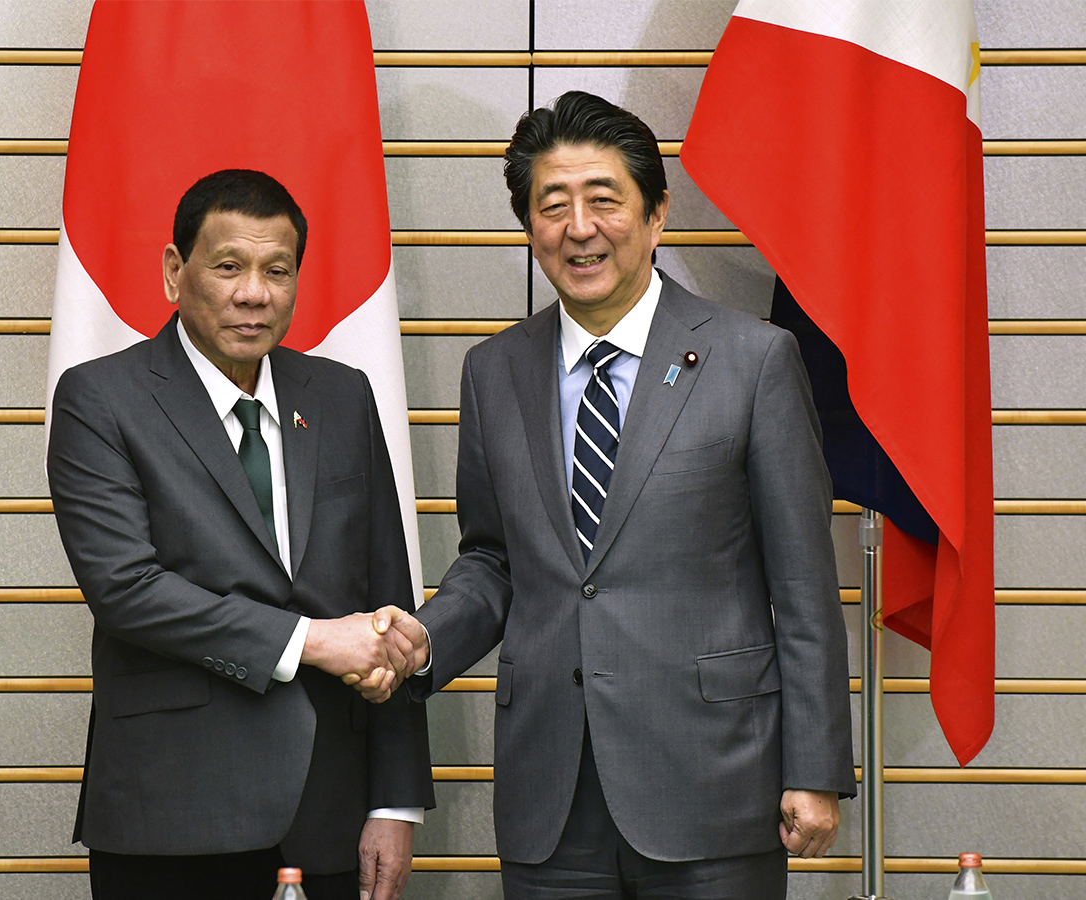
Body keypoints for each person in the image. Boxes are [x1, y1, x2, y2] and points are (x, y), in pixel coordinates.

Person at [360, 91, 857, 898]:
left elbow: (802, 587)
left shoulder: (753, 360)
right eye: (552, 206)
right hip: (550, 793)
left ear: (656, 214)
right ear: (530, 229)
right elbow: (493, 559)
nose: (578, 228)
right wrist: (424, 639)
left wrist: (817, 769)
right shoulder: (495, 371)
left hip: (714, 784)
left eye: (604, 200)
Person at [47, 169, 433, 900]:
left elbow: (387, 599)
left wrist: (393, 802)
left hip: (329, 812)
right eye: (228, 266)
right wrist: (315, 640)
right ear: (174, 272)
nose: (254, 292)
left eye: (276, 270)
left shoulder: (343, 395)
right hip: (172, 816)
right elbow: (127, 590)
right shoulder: (102, 399)